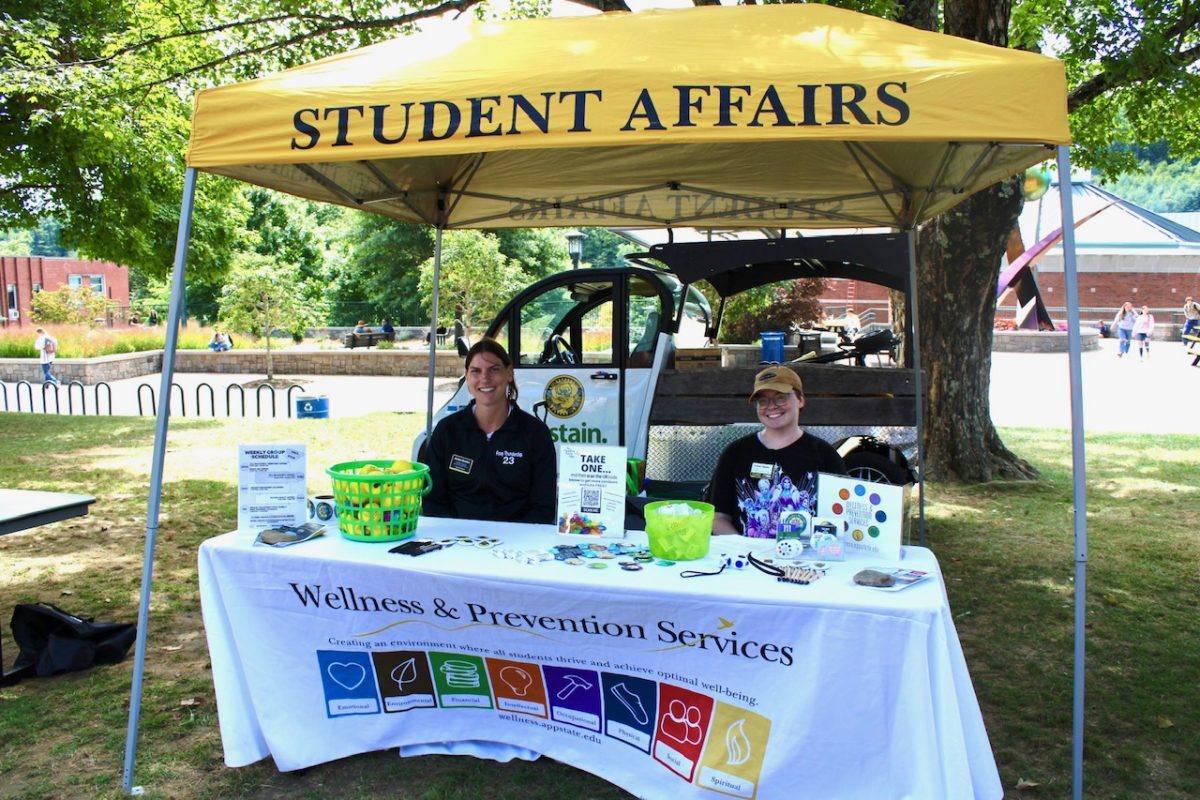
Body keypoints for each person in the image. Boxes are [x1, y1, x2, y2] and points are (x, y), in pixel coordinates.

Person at [423, 338, 557, 523]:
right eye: (476, 371)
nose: (484, 378)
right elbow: (433, 500)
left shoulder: (535, 434)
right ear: (467, 377)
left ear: (509, 373)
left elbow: (543, 507)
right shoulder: (447, 431)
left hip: (517, 541)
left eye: (494, 369)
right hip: (456, 538)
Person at [709, 365, 847, 537]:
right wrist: (745, 550)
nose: (771, 406)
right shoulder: (735, 452)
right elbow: (718, 517)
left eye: (781, 398)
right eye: (763, 401)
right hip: (747, 560)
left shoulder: (824, 454)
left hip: (805, 560)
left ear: (800, 400)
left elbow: (840, 520)